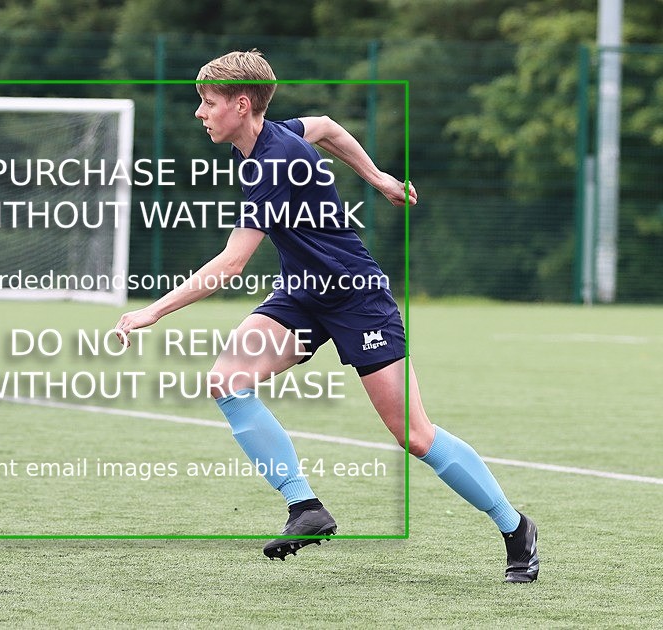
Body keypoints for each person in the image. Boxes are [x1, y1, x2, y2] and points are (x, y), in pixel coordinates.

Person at [113, 50, 539, 582]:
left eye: (208, 102)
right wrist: (378, 177)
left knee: (414, 435)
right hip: (303, 295)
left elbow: (232, 262)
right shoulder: (274, 134)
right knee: (227, 380)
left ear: (241, 105)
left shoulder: (272, 164)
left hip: (357, 298)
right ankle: (305, 508)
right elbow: (328, 127)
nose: (200, 112)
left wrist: (152, 311)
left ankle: (514, 526)